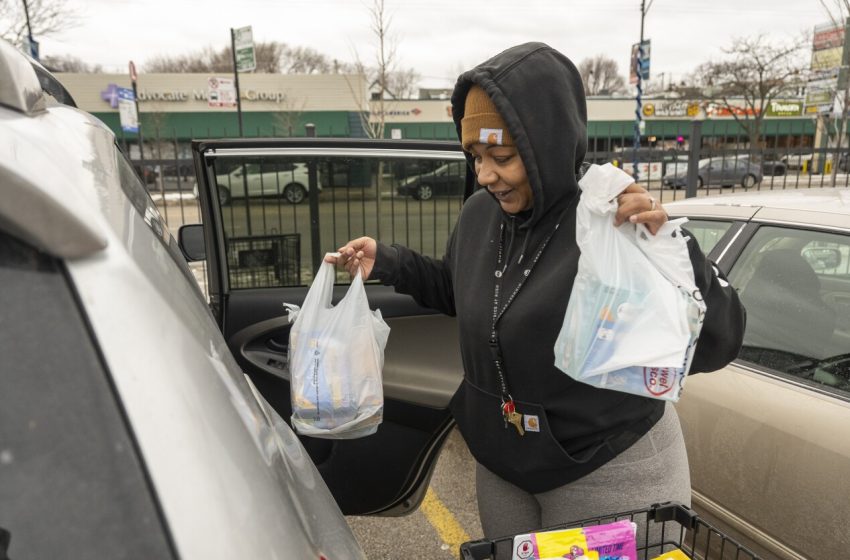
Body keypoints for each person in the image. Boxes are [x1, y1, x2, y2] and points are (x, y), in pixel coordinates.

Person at [327, 43, 745, 538]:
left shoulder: (612, 220)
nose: (484, 175)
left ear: (544, 142)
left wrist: (672, 250)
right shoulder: (481, 214)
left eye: (500, 156)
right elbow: (464, 291)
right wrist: (391, 262)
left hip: (605, 468)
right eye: (474, 156)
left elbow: (716, 341)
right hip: (504, 463)